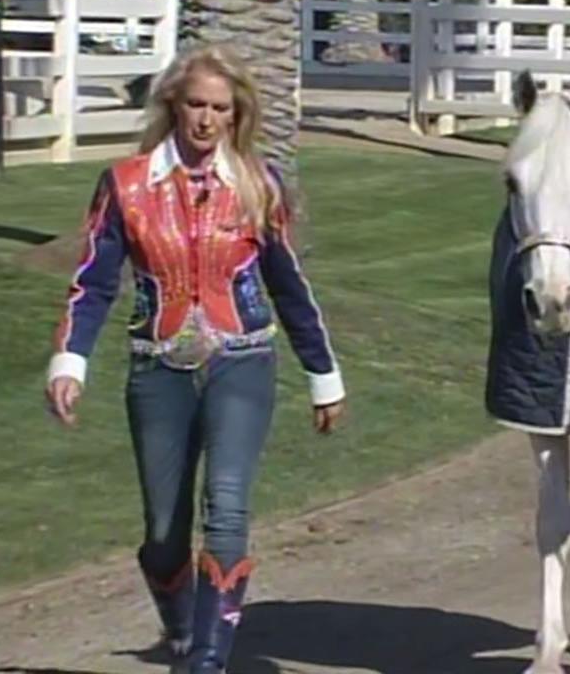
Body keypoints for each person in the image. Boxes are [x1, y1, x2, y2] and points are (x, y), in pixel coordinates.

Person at [43, 44, 346, 673]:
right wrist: (71, 360)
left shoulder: (258, 185)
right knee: (163, 531)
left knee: (227, 505)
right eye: (196, 105)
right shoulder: (125, 184)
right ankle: (183, 631)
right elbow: (94, 281)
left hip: (242, 360)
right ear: (173, 107)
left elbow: (290, 287)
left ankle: (207, 661)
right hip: (158, 366)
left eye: (220, 109)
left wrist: (324, 376)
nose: (207, 120)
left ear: (236, 116)